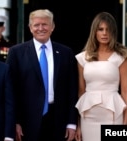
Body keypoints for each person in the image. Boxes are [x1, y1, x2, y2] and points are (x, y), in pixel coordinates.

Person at [6, 9, 78, 141]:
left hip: (58, 120)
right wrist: (15, 122)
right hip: (27, 122)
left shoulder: (65, 52)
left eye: (45, 24)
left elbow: (72, 90)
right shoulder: (16, 52)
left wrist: (72, 122)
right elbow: (11, 90)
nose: (41, 28)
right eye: (36, 25)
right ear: (30, 28)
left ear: (52, 27)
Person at [74, 12, 127, 141]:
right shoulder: (83, 58)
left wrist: (126, 123)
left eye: (108, 30)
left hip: (113, 114)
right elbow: (81, 92)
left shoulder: (122, 57)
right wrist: (77, 124)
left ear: (113, 32)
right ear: (94, 31)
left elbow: (126, 91)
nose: (104, 33)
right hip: (88, 117)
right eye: (101, 29)